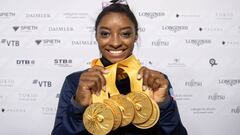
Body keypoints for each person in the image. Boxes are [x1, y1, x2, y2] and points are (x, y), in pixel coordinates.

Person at [51, 0, 187, 134]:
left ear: (135, 36)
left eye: (125, 34)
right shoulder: (75, 82)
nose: (115, 43)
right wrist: (78, 105)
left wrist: (164, 105)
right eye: (105, 34)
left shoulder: (155, 82)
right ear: (96, 36)